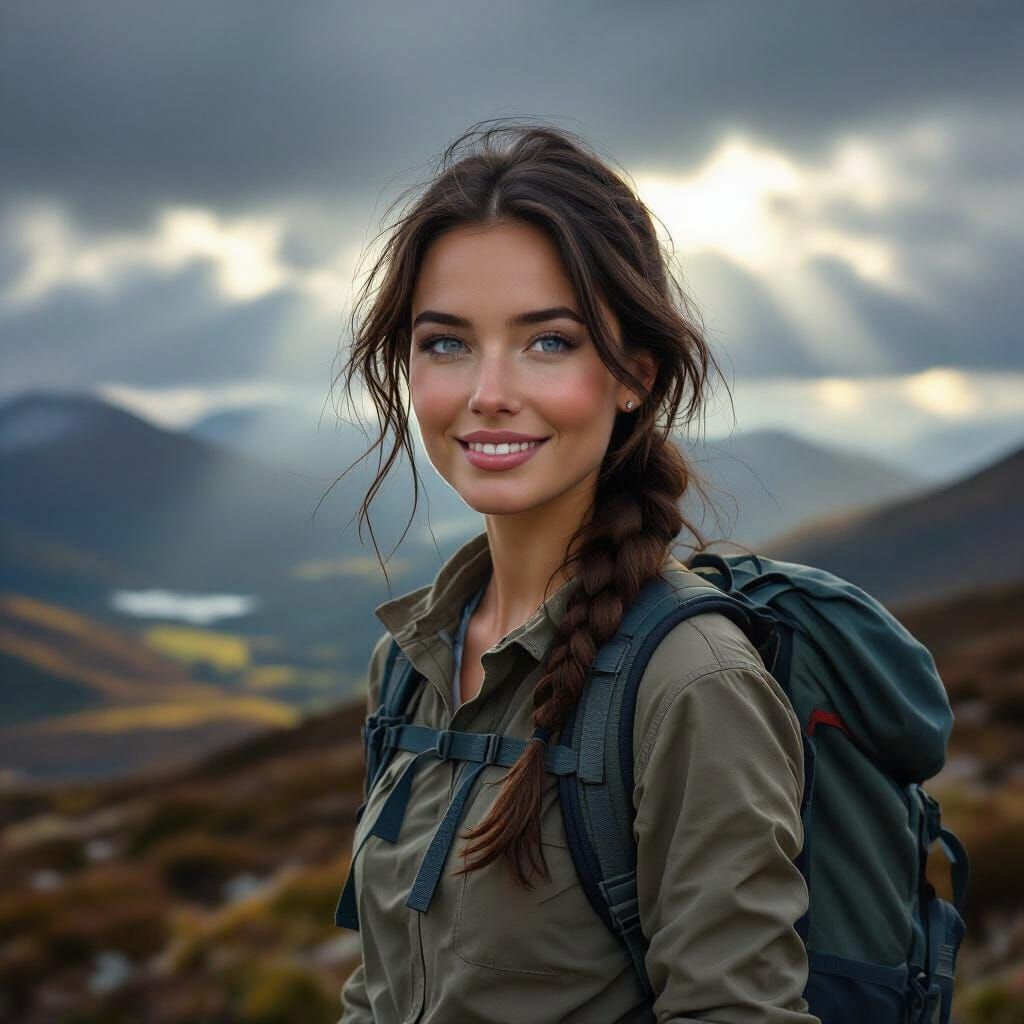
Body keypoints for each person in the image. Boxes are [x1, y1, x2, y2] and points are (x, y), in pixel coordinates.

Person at [333, 119, 819, 1024]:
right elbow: (380, 987)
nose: (488, 391)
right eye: (446, 342)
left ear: (632, 374)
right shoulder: (410, 664)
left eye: (547, 341)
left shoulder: (688, 683)